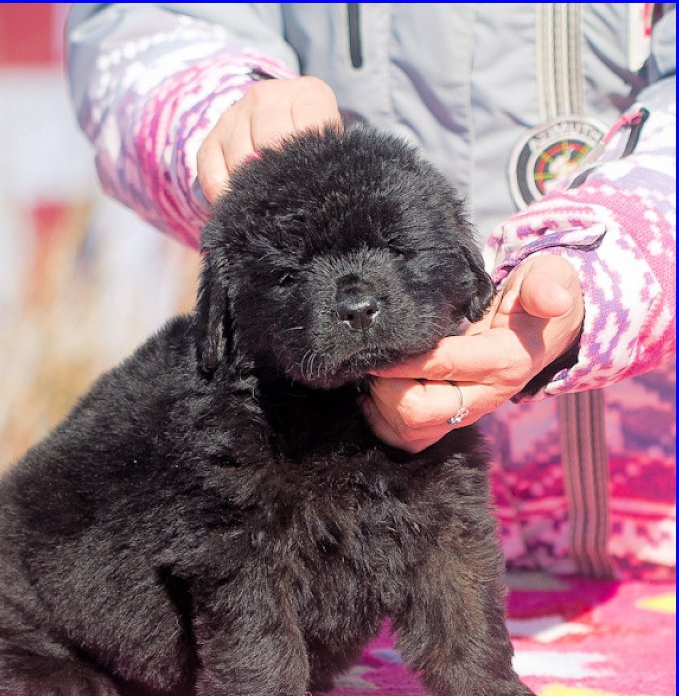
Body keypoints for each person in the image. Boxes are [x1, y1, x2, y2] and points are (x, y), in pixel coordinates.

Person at [66, 4, 675, 579]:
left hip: (659, 538)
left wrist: (620, 260)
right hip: (327, 540)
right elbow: (146, 21)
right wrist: (221, 118)